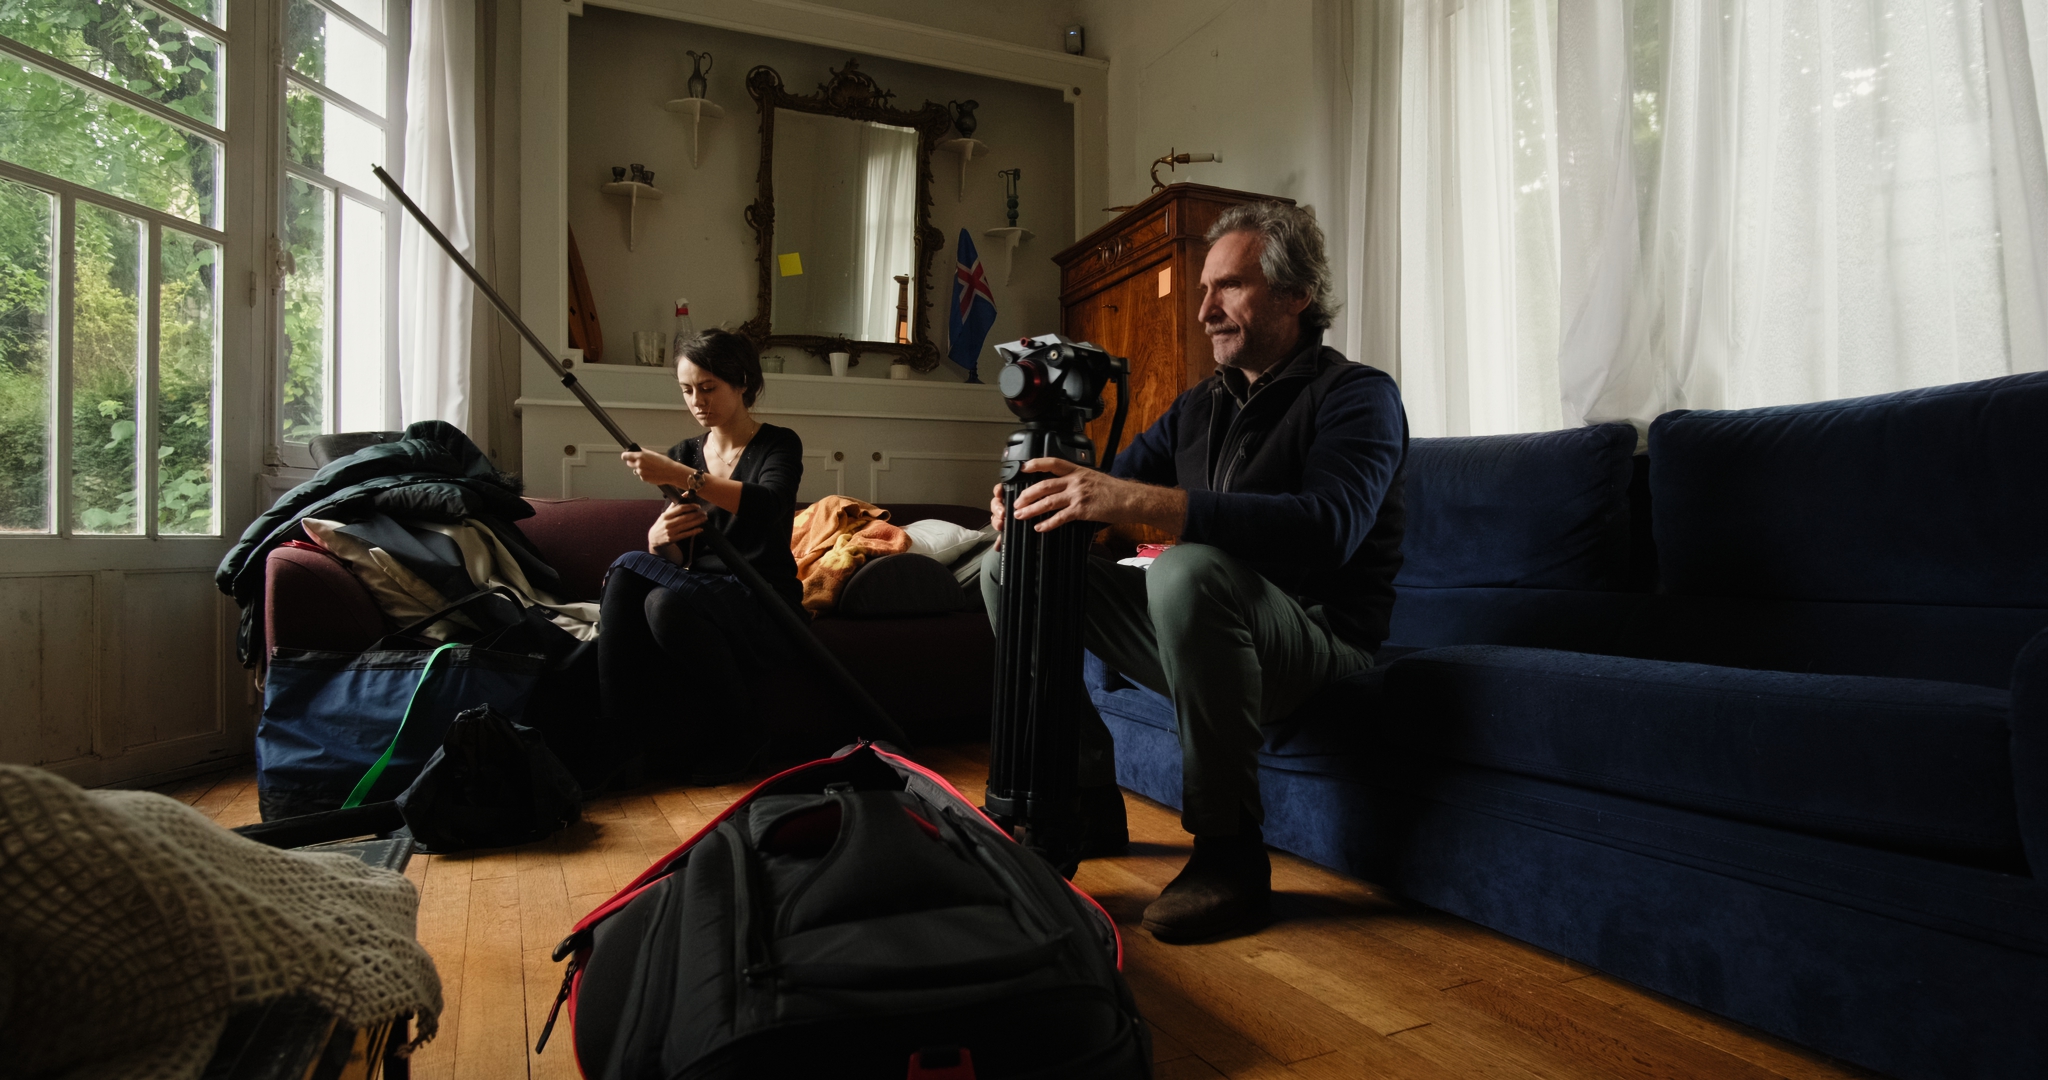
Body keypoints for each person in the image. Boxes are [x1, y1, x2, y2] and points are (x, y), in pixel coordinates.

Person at [982, 202, 1408, 942]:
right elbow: (1104, 494)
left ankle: (1229, 853)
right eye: (1205, 288)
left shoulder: (1356, 395)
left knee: (1187, 570)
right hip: (1209, 637)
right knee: (1013, 565)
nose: (1205, 309)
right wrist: (1037, 503)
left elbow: (1329, 529)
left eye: (1230, 287)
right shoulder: (1198, 405)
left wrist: (1140, 500)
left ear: (1297, 294)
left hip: (1315, 644)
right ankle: (1074, 800)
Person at [600, 328, 804, 783]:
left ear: (743, 383)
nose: (697, 401)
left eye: (708, 388)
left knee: (629, 571)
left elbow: (767, 505)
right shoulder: (683, 453)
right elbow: (679, 562)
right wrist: (659, 540)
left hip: (764, 600)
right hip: (703, 595)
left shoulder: (779, 444)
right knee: (660, 600)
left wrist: (681, 476)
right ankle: (643, 739)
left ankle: (614, 740)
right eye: (687, 390)